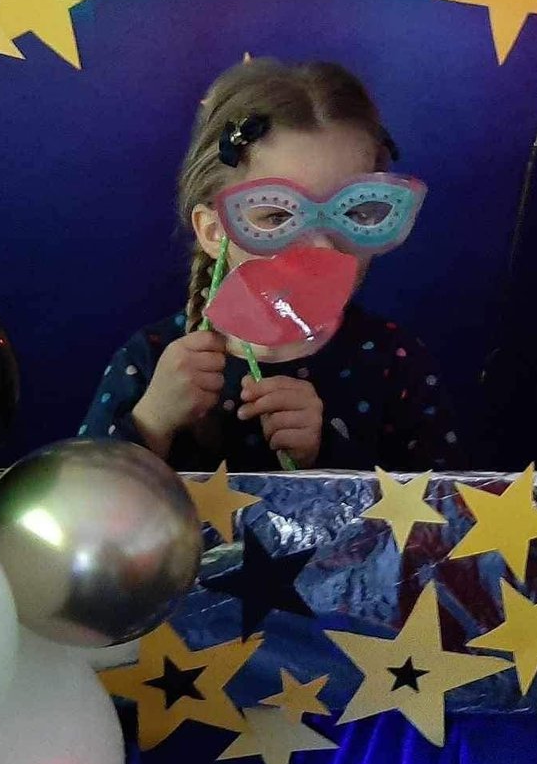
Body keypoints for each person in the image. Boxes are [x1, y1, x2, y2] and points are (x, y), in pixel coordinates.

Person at [79, 59, 463, 472]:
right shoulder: (150, 360)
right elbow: (82, 501)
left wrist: (325, 458)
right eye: (278, 216)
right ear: (214, 231)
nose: (320, 246)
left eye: (353, 212)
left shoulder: (392, 362)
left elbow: (438, 506)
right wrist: (151, 424)